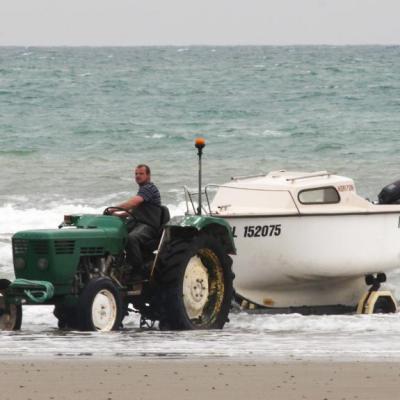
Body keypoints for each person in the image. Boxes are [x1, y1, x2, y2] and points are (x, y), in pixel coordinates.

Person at [112, 164, 162, 273]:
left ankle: (138, 270)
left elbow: (133, 202)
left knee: (131, 238)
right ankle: (116, 263)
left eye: (141, 173)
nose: (137, 176)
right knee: (115, 233)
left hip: (149, 225)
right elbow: (133, 212)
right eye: (136, 174)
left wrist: (113, 209)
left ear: (148, 175)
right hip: (138, 223)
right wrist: (116, 215)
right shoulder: (142, 190)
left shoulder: (149, 188)